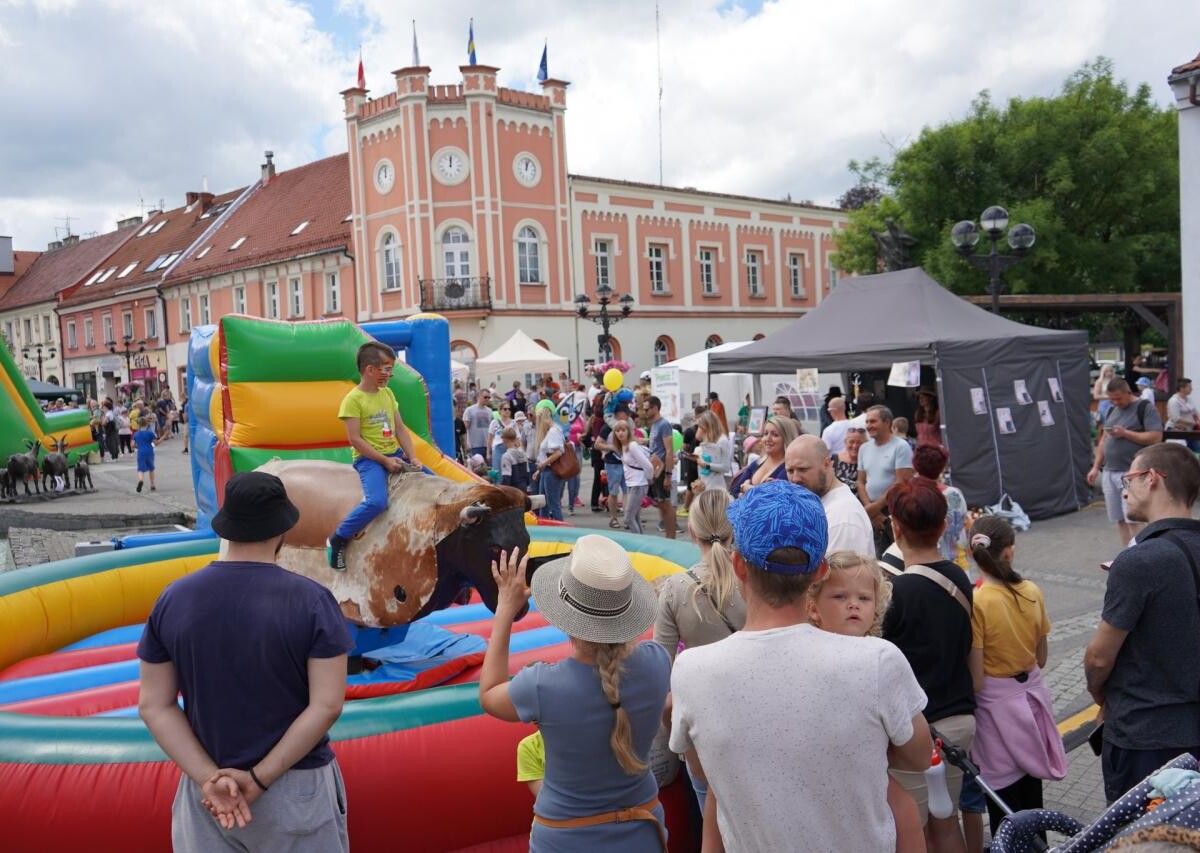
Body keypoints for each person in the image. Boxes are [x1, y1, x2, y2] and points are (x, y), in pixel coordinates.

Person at [669, 480, 931, 852]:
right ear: (820, 570)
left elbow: (702, 772)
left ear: (739, 565)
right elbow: (919, 757)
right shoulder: (876, 662)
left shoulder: (692, 671)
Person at [137, 471, 352, 851]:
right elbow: (327, 705)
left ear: (227, 528)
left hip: (207, 794)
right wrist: (259, 778)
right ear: (283, 529)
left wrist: (206, 778)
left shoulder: (174, 599)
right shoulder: (313, 602)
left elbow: (154, 704)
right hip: (295, 788)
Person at [479, 536, 671, 851]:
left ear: (565, 613)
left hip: (566, 840)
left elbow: (489, 694)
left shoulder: (542, 686)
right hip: (644, 833)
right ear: (627, 608)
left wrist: (504, 609)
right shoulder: (656, 662)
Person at [1084, 442, 1200, 804]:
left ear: (1152, 478)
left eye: (1128, 478)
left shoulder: (1140, 561)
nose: (1123, 487)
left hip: (1144, 739)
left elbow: (1099, 658)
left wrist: (1097, 691)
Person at [807, 551, 926, 853]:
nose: (853, 605)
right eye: (839, 597)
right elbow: (918, 754)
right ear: (813, 606)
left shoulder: (880, 655)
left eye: (864, 598)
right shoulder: (879, 658)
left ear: (877, 606)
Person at [882, 478, 975, 853]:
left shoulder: (896, 593)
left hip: (919, 730)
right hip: (960, 723)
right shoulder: (959, 577)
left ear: (895, 527)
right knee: (945, 817)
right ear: (941, 526)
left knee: (912, 830)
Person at [966, 516, 1067, 836]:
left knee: (1004, 803)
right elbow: (1042, 657)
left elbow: (977, 678)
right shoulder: (1031, 591)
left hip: (996, 712)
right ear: (1009, 552)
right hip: (1030, 701)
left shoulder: (978, 601)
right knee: (1030, 791)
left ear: (972, 553)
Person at [654, 488, 745, 808]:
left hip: (701, 732)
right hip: (753, 719)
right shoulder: (755, 581)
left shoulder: (677, 589)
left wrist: (674, 732)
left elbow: (658, 667)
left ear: (691, 532)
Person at [327, 341, 417, 571]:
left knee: (435, 482)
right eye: (386, 369)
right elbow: (355, 439)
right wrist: (385, 461)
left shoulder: (387, 393)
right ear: (369, 369)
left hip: (394, 453)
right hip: (368, 460)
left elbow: (400, 428)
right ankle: (339, 537)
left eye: (390, 369)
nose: (390, 375)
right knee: (377, 501)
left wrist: (412, 457)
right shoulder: (353, 400)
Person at [1086, 378, 1164, 546]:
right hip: (1109, 472)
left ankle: (1142, 556)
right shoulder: (1112, 410)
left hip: (1132, 473)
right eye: (1112, 399)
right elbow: (1102, 441)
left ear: (1128, 392)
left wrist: (1126, 433)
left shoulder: (1145, 408)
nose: (1115, 402)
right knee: (1119, 519)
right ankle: (1127, 557)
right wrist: (1095, 467)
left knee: (1133, 519)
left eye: (1119, 398)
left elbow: (1156, 437)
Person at [786, 435, 874, 557]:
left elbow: (840, 575)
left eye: (803, 469)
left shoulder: (842, 519)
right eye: (790, 471)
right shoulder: (817, 501)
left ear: (826, 464)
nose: (795, 478)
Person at [858, 405, 914, 556]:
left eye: (873, 421)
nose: (868, 426)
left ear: (887, 422)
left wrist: (874, 508)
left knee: (894, 557)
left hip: (892, 510)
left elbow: (901, 482)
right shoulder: (864, 448)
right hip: (870, 510)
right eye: (867, 422)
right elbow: (861, 482)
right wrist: (871, 509)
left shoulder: (901, 447)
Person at [912, 444, 969, 567]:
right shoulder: (954, 494)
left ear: (915, 466)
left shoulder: (912, 496)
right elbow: (963, 524)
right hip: (956, 562)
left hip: (924, 563)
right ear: (942, 467)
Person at [728, 415, 797, 497]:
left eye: (775, 435)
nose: (768, 438)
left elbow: (771, 498)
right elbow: (734, 491)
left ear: (786, 438)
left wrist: (746, 488)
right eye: (765, 433)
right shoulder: (757, 463)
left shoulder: (789, 469)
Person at [612, 419, 653, 534]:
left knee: (628, 518)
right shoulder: (624, 446)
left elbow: (647, 465)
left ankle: (639, 544)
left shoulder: (632, 446)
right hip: (633, 484)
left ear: (628, 431)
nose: (620, 433)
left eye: (623, 430)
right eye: (617, 431)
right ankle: (642, 543)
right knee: (635, 517)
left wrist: (650, 478)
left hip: (638, 484)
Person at [645, 396, 676, 540]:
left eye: (647, 409)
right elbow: (655, 446)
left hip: (663, 470)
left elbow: (669, 450)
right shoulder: (654, 425)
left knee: (666, 504)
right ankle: (668, 535)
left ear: (655, 408)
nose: (645, 411)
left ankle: (671, 536)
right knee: (661, 503)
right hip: (656, 469)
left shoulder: (664, 424)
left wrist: (668, 475)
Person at [596, 405, 630, 530]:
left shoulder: (628, 426)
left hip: (627, 463)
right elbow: (597, 444)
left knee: (627, 491)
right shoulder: (607, 427)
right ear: (619, 414)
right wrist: (612, 448)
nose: (627, 416)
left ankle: (627, 518)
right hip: (612, 463)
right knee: (614, 492)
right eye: (625, 413)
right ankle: (613, 518)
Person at [532, 407, 566, 522]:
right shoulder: (554, 430)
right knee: (544, 503)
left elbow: (558, 452)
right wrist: (540, 469)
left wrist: (543, 464)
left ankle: (560, 528)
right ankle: (546, 525)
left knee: (551, 503)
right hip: (547, 470)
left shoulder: (553, 431)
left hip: (551, 471)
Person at [691, 411, 732, 496]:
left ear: (707, 425)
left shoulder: (722, 440)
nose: (699, 429)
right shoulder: (707, 439)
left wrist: (706, 465)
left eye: (700, 426)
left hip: (716, 489)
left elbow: (726, 467)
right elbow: (697, 437)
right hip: (704, 487)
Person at [1167, 378, 1200, 452]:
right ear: (1181, 388)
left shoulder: (1189, 399)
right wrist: (1193, 423)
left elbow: (1195, 412)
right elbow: (1176, 419)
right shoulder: (1173, 401)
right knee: (1182, 452)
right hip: (1177, 431)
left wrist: (1199, 420)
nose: (1192, 389)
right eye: (1189, 387)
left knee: (1197, 450)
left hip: (1189, 430)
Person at [833, 426, 867, 497]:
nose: (855, 446)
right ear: (845, 442)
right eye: (851, 442)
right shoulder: (835, 459)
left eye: (859, 443)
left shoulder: (868, 462)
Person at [463, 389, 494, 460]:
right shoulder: (469, 410)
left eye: (489, 397)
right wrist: (466, 445)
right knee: (477, 469)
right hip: (474, 446)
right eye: (485, 397)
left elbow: (492, 429)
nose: (487, 399)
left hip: (487, 445)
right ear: (479, 397)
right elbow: (465, 428)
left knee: (488, 469)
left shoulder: (490, 411)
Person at [498, 428, 532, 493]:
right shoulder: (523, 453)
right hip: (523, 488)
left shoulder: (506, 456)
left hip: (512, 491)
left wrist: (502, 491)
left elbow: (506, 478)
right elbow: (527, 474)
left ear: (505, 440)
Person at [488, 399, 515, 469]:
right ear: (500, 410)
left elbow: (517, 438)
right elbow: (490, 439)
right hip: (497, 449)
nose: (507, 411)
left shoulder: (513, 423)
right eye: (505, 409)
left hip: (510, 449)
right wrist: (488, 453)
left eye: (509, 409)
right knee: (498, 471)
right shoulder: (494, 422)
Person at [133, 417, 158, 493]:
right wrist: (163, 438)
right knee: (151, 468)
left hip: (141, 451)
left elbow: (132, 445)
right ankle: (152, 484)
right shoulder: (150, 432)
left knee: (141, 468)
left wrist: (138, 446)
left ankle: (141, 480)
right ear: (147, 424)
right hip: (149, 451)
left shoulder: (136, 434)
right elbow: (155, 443)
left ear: (139, 425)